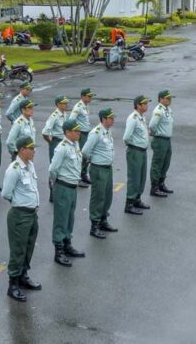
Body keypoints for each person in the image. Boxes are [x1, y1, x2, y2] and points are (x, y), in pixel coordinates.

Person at [2, 136, 41, 302]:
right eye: (31, 148)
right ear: (22, 150)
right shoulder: (14, 169)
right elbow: (6, 194)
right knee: (18, 250)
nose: (34, 151)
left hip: (32, 215)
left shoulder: (30, 165)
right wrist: (20, 204)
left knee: (28, 247)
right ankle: (13, 284)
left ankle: (23, 276)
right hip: (20, 215)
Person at [48, 120, 85, 266]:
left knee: (70, 217)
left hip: (72, 187)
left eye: (78, 130)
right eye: (75, 131)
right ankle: (58, 250)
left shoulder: (75, 145)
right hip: (63, 187)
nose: (78, 133)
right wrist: (56, 185)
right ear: (67, 132)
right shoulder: (62, 148)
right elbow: (52, 169)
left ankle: (67, 244)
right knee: (61, 219)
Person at [82, 109, 119, 239]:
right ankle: (95, 225)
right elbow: (85, 151)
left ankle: (103, 220)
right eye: (110, 118)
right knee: (98, 197)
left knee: (107, 196)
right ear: (103, 119)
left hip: (107, 168)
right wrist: (94, 160)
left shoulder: (107, 131)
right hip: (98, 169)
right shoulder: (96, 132)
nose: (113, 119)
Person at [123, 96, 151, 215]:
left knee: (141, 177)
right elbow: (126, 137)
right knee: (134, 177)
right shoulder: (133, 118)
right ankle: (129, 203)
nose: (146, 105)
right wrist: (134, 147)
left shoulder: (141, 117)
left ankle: (137, 199)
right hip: (135, 151)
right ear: (138, 105)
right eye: (144, 104)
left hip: (142, 151)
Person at [42, 95, 69, 203]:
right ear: (58, 104)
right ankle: (52, 193)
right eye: (63, 103)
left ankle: (59, 192)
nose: (66, 104)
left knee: (63, 167)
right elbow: (45, 132)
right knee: (55, 167)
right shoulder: (54, 116)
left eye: (66, 103)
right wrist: (50, 142)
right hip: (56, 141)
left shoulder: (65, 114)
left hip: (64, 142)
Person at [149, 90, 174, 197]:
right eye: (167, 98)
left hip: (167, 140)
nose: (169, 100)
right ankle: (154, 187)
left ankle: (161, 183)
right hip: (160, 140)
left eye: (170, 98)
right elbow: (152, 126)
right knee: (157, 164)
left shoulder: (167, 109)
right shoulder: (158, 111)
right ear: (161, 99)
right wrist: (156, 134)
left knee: (166, 163)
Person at [69, 89, 94, 186]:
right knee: (81, 156)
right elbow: (71, 120)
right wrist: (75, 133)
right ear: (83, 96)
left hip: (86, 133)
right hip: (81, 134)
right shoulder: (78, 107)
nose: (90, 98)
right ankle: (78, 178)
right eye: (89, 96)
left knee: (86, 156)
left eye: (91, 96)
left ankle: (83, 175)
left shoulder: (86, 105)